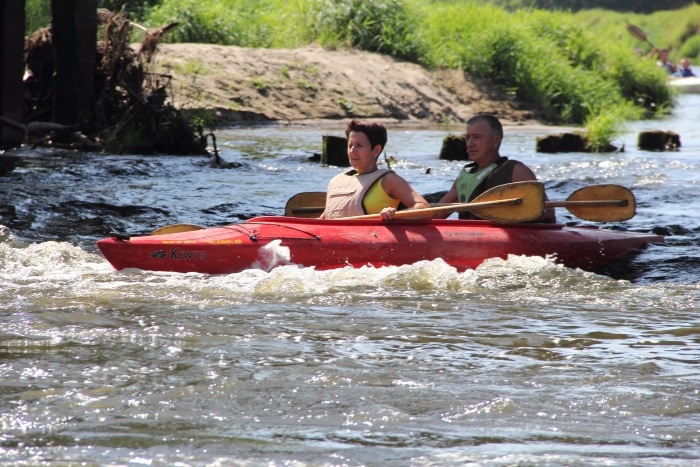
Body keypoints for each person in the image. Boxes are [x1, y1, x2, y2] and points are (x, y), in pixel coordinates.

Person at [435, 114, 556, 222]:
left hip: (508, 237)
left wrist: (509, 215)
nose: (470, 144)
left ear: (496, 141)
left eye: (477, 137)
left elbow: (548, 213)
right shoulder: (465, 177)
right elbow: (436, 214)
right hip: (470, 237)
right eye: (468, 138)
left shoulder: (516, 171)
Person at [320, 119, 430, 220]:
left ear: (376, 151)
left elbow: (424, 208)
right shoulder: (337, 182)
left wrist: (396, 215)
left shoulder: (389, 181)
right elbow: (323, 220)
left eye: (359, 145)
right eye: (350, 145)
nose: (352, 150)